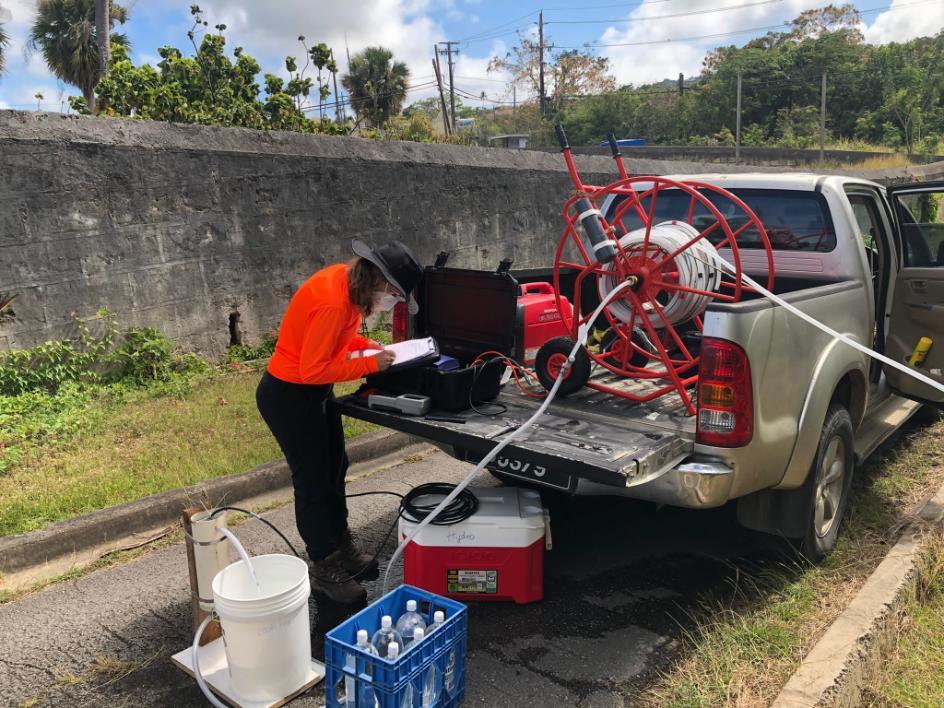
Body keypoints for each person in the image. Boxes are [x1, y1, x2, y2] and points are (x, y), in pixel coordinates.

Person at [256, 240, 422, 603]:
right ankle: (324, 566)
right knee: (313, 481)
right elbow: (312, 369)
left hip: (312, 393)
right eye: (393, 293)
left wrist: (365, 346)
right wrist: (369, 364)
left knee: (335, 467)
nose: (393, 300)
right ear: (378, 279)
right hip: (289, 396)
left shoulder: (345, 283)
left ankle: (342, 544)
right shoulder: (333, 302)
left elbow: (331, 342)